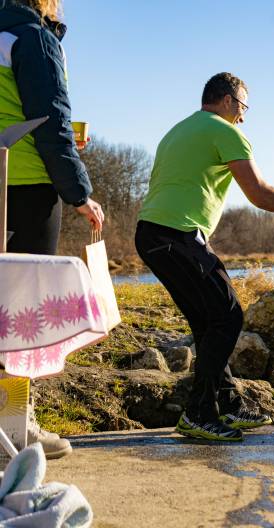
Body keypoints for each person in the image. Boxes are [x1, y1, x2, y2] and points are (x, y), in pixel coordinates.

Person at [135, 72, 274, 442]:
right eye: (243, 107)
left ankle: (228, 403)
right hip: (176, 233)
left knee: (207, 321)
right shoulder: (225, 130)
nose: (243, 117)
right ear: (226, 100)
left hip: (152, 234)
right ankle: (199, 413)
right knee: (228, 314)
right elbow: (259, 193)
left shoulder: (178, 130)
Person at [0, 0, 105, 459]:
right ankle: (15, 430)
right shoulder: (32, 37)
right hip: (25, 185)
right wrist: (79, 193)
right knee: (21, 310)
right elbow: (51, 123)